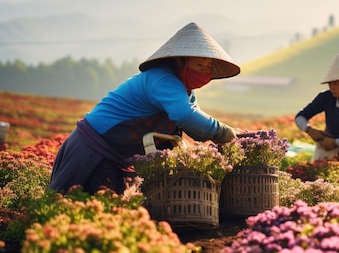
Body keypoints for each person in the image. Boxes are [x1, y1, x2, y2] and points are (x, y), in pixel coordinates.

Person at [49, 22, 241, 195]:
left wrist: (229, 134)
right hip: (93, 148)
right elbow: (184, 115)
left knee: (108, 211)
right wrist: (221, 130)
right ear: (180, 61)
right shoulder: (163, 79)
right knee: (80, 207)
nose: (204, 72)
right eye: (199, 65)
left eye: (208, 67)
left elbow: (194, 124)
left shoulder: (185, 92)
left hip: (114, 152)